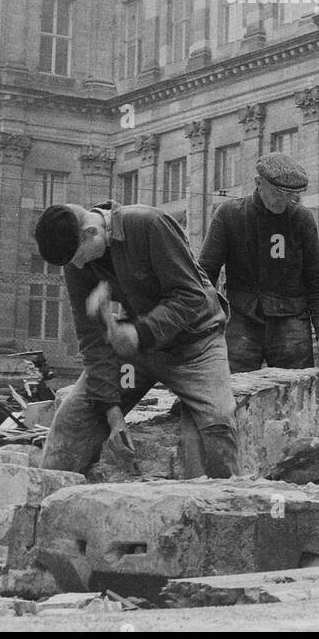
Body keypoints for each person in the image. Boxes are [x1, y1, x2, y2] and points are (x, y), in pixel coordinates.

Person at [34, 201, 239, 478]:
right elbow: (93, 341)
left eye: (78, 257)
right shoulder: (76, 262)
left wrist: (140, 332)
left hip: (196, 346)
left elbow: (192, 296)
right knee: (73, 422)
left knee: (217, 426)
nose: (78, 265)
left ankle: (225, 510)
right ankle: (47, 501)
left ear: (91, 232)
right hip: (139, 353)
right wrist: (113, 413)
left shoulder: (149, 224)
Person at [199, 152, 319, 372]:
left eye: (290, 195)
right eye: (278, 193)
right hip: (241, 318)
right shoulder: (229, 215)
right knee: (233, 389)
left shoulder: (302, 219)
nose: (284, 201)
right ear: (258, 183)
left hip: (291, 320)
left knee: (296, 389)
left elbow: (317, 281)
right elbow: (205, 274)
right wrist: (205, 324)